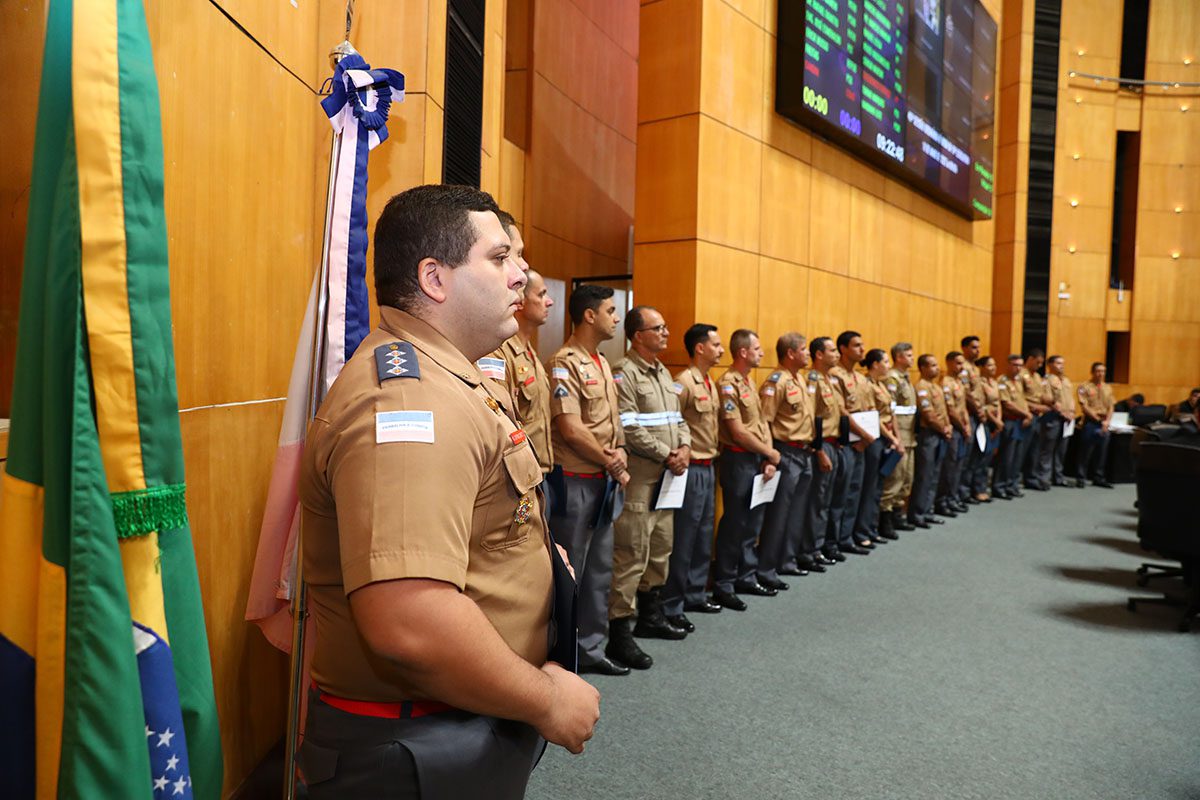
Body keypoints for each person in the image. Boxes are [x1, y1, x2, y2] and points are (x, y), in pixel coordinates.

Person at [298, 185, 599, 799]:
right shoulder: (412, 399)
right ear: (434, 278)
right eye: (499, 258)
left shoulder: (446, 375)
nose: (521, 275)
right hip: (415, 752)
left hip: (450, 726)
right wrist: (547, 702)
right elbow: (409, 621)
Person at [548, 284, 630, 675]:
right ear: (589, 315)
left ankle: (592, 650)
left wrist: (620, 453)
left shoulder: (601, 362)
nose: (617, 318)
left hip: (603, 482)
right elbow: (571, 429)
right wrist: (611, 461)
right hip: (577, 482)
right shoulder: (563, 363)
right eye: (611, 311)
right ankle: (564, 657)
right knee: (571, 571)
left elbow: (612, 425)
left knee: (599, 571)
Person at [606, 307, 691, 670]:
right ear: (637, 336)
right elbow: (626, 425)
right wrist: (667, 453)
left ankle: (651, 617)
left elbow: (679, 420)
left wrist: (684, 447)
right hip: (640, 480)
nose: (666, 333)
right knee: (631, 555)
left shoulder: (664, 374)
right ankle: (619, 634)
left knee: (660, 549)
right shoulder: (625, 373)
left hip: (667, 480)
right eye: (658, 328)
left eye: (666, 326)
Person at [481, 215, 555, 493]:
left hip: (539, 469)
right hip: (513, 477)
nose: (523, 266)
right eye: (514, 254)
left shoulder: (529, 351)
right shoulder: (498, 350)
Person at [711, 330, 781, 610]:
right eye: (757, 348)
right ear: (742, 352)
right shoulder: (728, 384)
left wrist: (768, 458)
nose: (761, 353)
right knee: (735, 523)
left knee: (753, 522)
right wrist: (769, 452)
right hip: (738, 460)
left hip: (756, 459)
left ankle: (746, 575)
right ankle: (724, 583)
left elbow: (762, 424)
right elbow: (737, 432)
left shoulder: (748, 382)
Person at [662, 324, 725, 625]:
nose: (721, 350)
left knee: (702, 535)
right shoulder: (683, 382)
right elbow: (675, 424)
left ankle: (696, 594)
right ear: (700, 348)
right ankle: (673, 604)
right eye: (715, 344)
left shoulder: (708, 382)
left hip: (709, 466)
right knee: (684, 538)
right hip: (690, 470)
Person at [757, 333, 823, 587]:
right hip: (785, 452)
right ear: (791, 353)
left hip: (804, 452)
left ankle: (787, 561)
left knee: (796, 513)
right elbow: (766, 422)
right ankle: (766, 569)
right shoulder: (776, 382)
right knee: (779, 515)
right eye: (804, 350)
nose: (807, 354)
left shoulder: (800, 379)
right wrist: (769, 456)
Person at [829, 330, 878, 553]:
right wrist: (863, 436)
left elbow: (868, 410)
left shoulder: (860, 378)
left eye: (862, 344)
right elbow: (842, 411)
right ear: (843, 349)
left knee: (855, 491)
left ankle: (846, 538)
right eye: (857, 345)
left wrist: (867, 438)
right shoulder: (835, 375)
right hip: (846, 442)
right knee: (840, 494)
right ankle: (832, 542)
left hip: (862, 442)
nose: (862, 349)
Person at [805, 337, 850, 562]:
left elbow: (839, 412)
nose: (837, 355)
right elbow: (812, 417)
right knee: (818, 502)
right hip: (822, 447)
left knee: (829, 499)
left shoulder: (830, 379)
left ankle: (821, 545)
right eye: (832, 351)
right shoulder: (812, 380)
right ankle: (810, 550)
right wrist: (819, 450)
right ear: (819, 355)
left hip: (835, 444)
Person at [862, 348, 904, 541]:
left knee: (879, 486)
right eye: (885, 362)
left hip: (886, 438)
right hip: (875, 438)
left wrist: (896, 437)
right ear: (875, 364)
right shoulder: (868, 385)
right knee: (870, 486)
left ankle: (872, 528)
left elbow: (891, 413)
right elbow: (874, 417)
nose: (888, 365)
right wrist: (892, 437)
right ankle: (864, 530)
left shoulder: (882, 385)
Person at [909, 354, 952, 528]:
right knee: (924, 475)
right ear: (923, 368)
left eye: (937, 365)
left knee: (935, 475)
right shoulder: (921, 387)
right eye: (932, 365)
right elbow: (929, 414)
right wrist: (944, 429)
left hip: (941, 434)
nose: (936, 368)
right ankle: (917, 513)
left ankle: (928, 510)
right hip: (929, 434)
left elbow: (944, 411)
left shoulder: (936, 387)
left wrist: (948, 427)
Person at [881, 343, 918, 534]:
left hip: (910, 434)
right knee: (894, 478)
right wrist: (895, 437)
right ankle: (885, 519)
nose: (913, 358)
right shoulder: (892, 378)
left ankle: (897, 514)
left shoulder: (906, 378)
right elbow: (891, 409)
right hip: (899, 434)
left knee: (906, 478)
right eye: (909, 355)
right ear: (899, 357)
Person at [936, 351, 971, 517]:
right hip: (954, 428)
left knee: (959, 465)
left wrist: (968, 425)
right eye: (958, 363)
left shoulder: (960, 382)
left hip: (962, 428)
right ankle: (942, 501)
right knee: (949, 467)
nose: (961, 367)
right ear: (949, 363)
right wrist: (963, 427)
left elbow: (963, 407)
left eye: (962, 363)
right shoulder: (946, 383)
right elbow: (950, 409)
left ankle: (952, 497)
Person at [994, 355, 1033, 500]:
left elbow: (1022, 400)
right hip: (1010, 421)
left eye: (1020, 365)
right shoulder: (1002, 381)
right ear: (1008, 365)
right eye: (1015, 365)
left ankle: (1011, 485)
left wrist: (1026, 414)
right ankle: (999, 486)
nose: (1018, 368)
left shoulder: (1018, 381)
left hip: (1020, 422)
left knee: (1017, 456)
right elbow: (1007, 404)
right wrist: (1027, 414)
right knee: (1006, 456)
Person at [969, 356, 1004, 502]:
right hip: (985, 422)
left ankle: (983, 487)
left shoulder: (994, 383)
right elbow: (983, 406)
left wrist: (999, 420)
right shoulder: (980, 383)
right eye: (990, 365)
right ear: (982, 367)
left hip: (995, 423)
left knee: (988, 457)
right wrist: (995, 421)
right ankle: (976, 489)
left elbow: (998, 403)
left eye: (994, 365)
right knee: (980, 457)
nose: (993, 368)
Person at [1017, 348, 1053, 491]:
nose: (1039, 365)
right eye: (1037, 362)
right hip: (1026, 415)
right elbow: (1020, 398)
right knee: (1021, 450)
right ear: (1030, 359)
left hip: (1039, 418)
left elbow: (1040, 395)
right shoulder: (1020, 375)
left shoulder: (1037, 377)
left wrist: (1050, 400)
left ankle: (1031, 478)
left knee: (1034, 450)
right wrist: (1037, 407)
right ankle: (1013, 479)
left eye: (1041, 363)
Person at [1076, 362, 1116, 488]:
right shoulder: (1084, 387)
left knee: (1102, 452)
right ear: (1092, 372)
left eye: (1103, 371)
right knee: (1086, 451)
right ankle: (1081, 477)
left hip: (1104, 423)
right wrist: (1098, 420)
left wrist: (1107, 421)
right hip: (1091, 422)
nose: (1101, 374)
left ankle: (1098, 477)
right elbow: (1084, 407)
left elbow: (1111, 406)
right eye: (1098, 371)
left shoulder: (1107, 387)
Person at [958, 336, 985, 504]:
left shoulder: (974, 368)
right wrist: (978, 411)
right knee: (965, 457)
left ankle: (967, 490)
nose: (977, 351)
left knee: (975, 456)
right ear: (964, 348)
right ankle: (961, 492)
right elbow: (967, 394)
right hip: (969, 415)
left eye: (978, 347)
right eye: (974, 347)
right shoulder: (963, 368)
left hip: (977, 415)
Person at [1043, 355, 1077, 487]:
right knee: (1048, 449)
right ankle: (1044, 478)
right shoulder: (1047, 380)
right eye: (1058, 363)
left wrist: (1072, 412)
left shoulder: (1067, 381)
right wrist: (1063, 413)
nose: (1061, 366)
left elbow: (1070, 399)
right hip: (1054, 417)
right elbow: (1048, 399)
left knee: (1061, 450)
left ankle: (1058, 477)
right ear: (1050, 365)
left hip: (1068, 420)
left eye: (1063, 363)